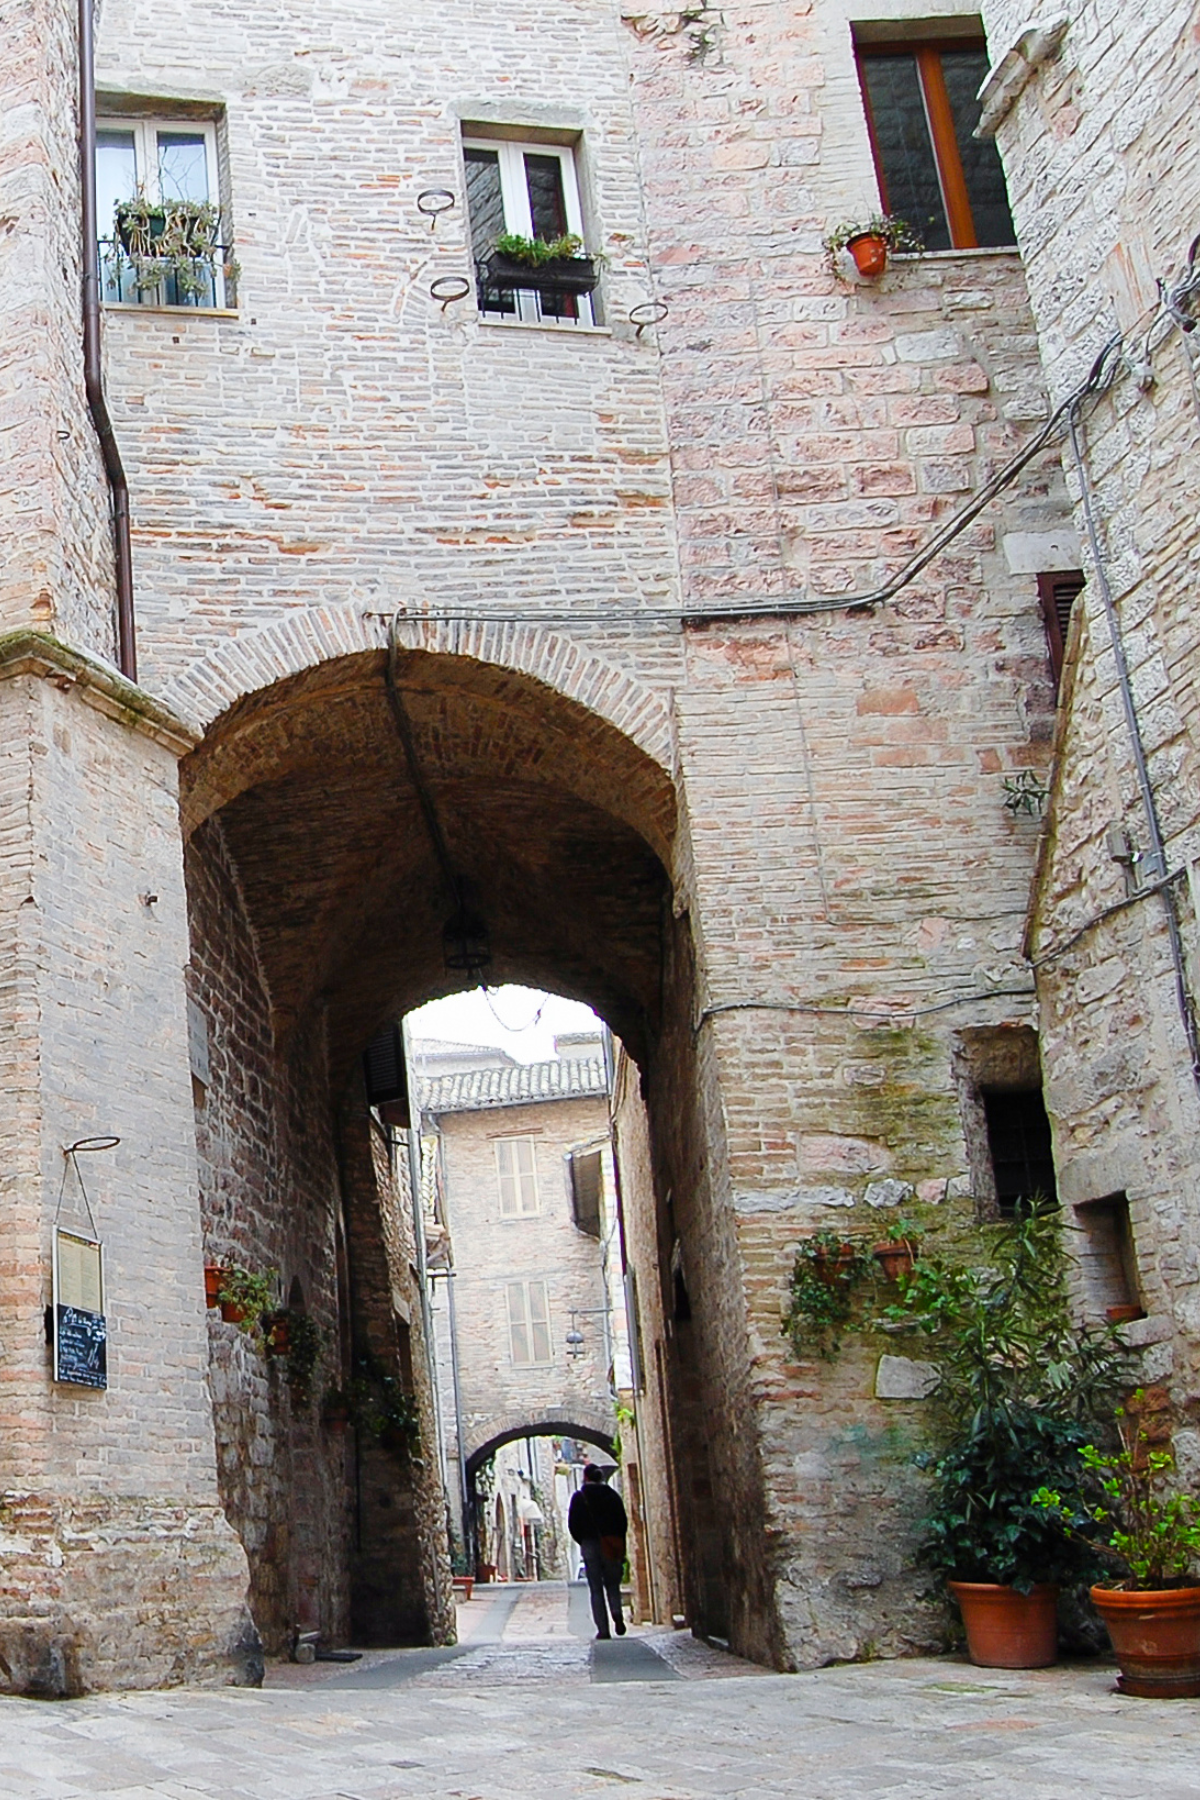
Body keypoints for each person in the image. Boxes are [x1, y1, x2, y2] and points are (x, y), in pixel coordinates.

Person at [568, 1464, 628, 1640]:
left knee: (595, 1588)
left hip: (589, 1544)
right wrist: (617, 1539)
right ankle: (616, 1611)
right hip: (610, 1543)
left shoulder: (579, 1498)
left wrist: (583, 1540)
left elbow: (573, 1524)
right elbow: (622, 1521)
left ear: (586, 1477)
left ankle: (603, 1629)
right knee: (612, 1583)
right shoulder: (612, 1496)